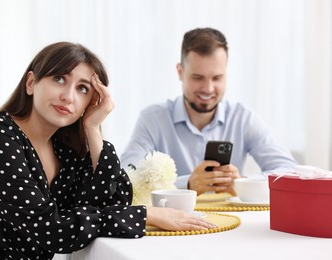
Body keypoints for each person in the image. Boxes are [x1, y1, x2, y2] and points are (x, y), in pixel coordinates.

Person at [0, 42, 216, 259]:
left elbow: (114, 200)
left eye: (82, 88)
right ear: (30, 83)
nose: (68, 96)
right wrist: (148, 215)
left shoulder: (63, 148)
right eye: (59, 79)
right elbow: (50, 231)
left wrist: (94, 130)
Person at [121, 28, 297, 196]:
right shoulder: (153, 119)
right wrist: (186, 184)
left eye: (217, 78)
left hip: (235, 221)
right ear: (180, 72)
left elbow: (289, 172)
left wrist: (243, 182)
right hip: (174, 222)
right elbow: (127, 175)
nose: (208, 88)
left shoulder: (243, 118)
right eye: (198, 78)